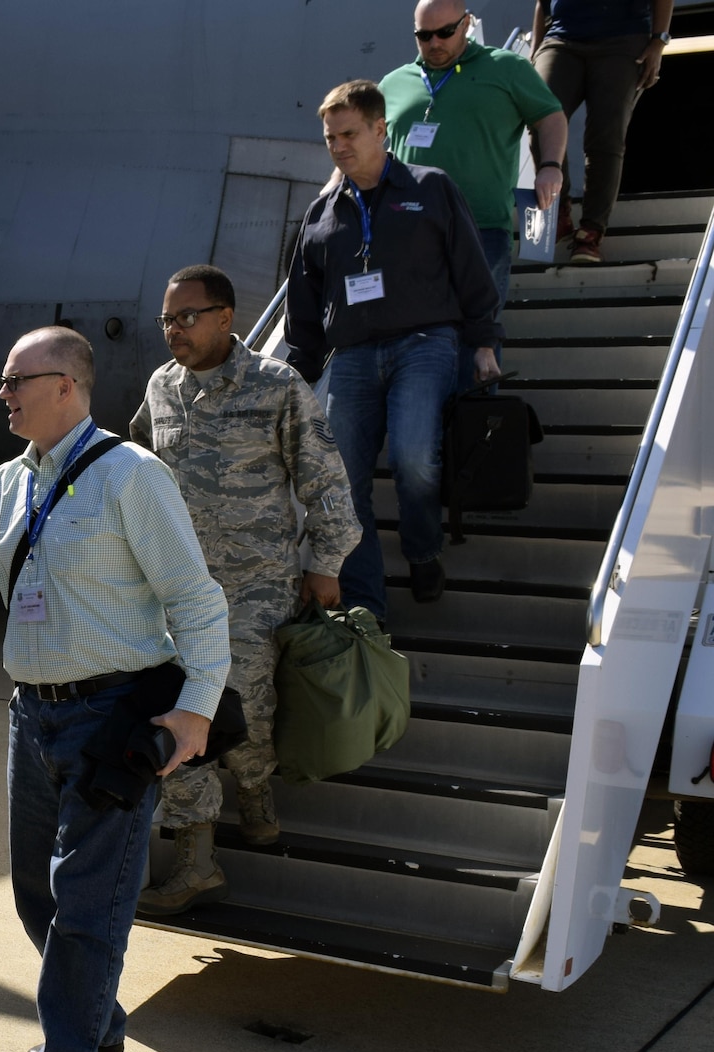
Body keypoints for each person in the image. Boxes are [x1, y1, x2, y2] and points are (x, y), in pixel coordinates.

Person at [0, 325, 229, 1052]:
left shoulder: (132, 477)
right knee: (36, 894)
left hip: (114, 717)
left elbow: (197, 598)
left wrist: (196, 708)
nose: (2, 394)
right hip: (31, 715)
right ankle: (98, 1022)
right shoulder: (8, 485)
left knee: (84, 902)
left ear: (66, 386)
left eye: (16, 381)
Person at [129, 265, 361, 913]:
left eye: (187, 317)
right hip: (177, 591)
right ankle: (196, 858)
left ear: (226, 318)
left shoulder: (276, 386)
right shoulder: (162, 388)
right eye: (167, 320)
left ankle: (257, 791)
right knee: (179, 713)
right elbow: (137, 463)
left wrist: (327, 560)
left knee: (249, 712)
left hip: (257, 587)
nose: (174, 330)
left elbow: (324, 479)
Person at [286, 80, 503, 615]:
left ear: (381, 130)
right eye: (330, 137)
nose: (338, 146)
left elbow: (471, 269)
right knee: (344, 482)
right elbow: (304, 301)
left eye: (349, 134)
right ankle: (367, 604)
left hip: (425, 344)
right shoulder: (322, 213)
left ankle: (423, 550)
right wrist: (298, 373)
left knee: (413, 458)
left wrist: (483, 342)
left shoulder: (430, 188)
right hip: (354, 355)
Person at [381, 0, 568, 318]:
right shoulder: (394, 83)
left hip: (479, 227)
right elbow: (363, 144)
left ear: (466, 24)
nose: (434, 43)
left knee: (476, 336)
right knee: (408, 333)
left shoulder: (506, 67)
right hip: (405, 230)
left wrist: (550, 167)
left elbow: (550, 116)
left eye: (445, 32)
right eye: (424, 36)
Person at [532, 0, 674, 263]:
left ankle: (590, 232)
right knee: (539, 114)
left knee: (605, 134)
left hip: (623, 39)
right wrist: (534, 53)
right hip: (561, 39)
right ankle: (558, 212)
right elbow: (542, 3)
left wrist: (658, 41)